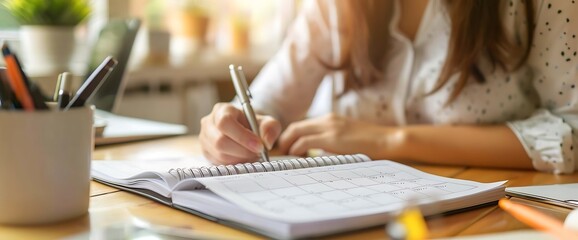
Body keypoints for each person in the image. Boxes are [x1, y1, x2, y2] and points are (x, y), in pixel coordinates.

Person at [200, 0, 578, 174]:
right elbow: (263, 105)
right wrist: (227, 128)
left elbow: (571, 131)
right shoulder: (337, 7)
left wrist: (389, 140)